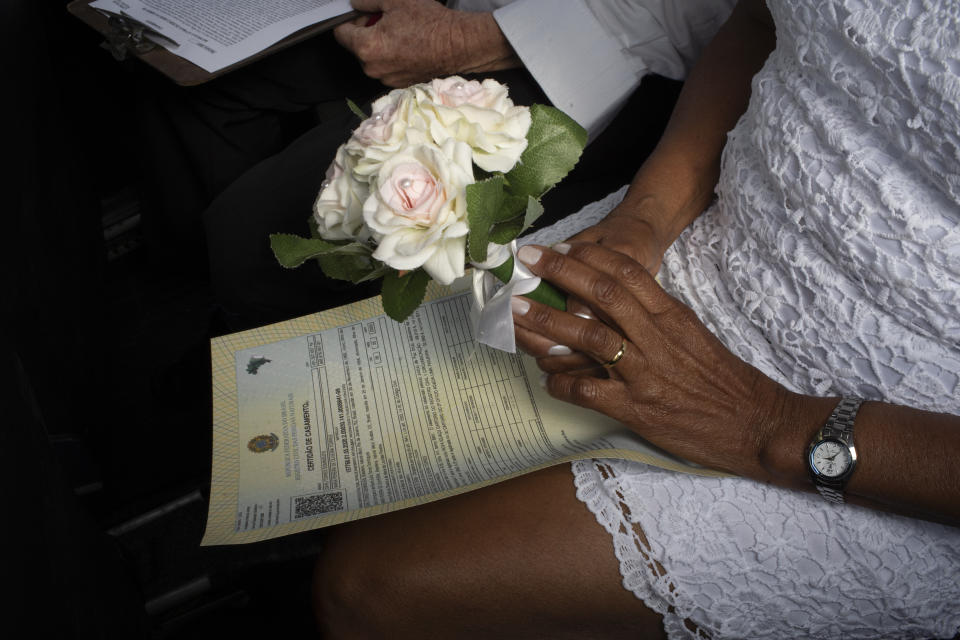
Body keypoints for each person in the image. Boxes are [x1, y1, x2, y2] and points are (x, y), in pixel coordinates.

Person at [311, 1, 960, 638]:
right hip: (693, 233)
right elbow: (764, 20)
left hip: (885, 429)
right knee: (351, 441)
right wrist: (646, 220)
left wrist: (766, 422)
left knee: (375, 587)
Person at [200, 0, 734, 329]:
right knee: (196, 86)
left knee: (250, 236)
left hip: (590, 47)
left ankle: (242, 336)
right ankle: (209, 313)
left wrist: (474, 40)